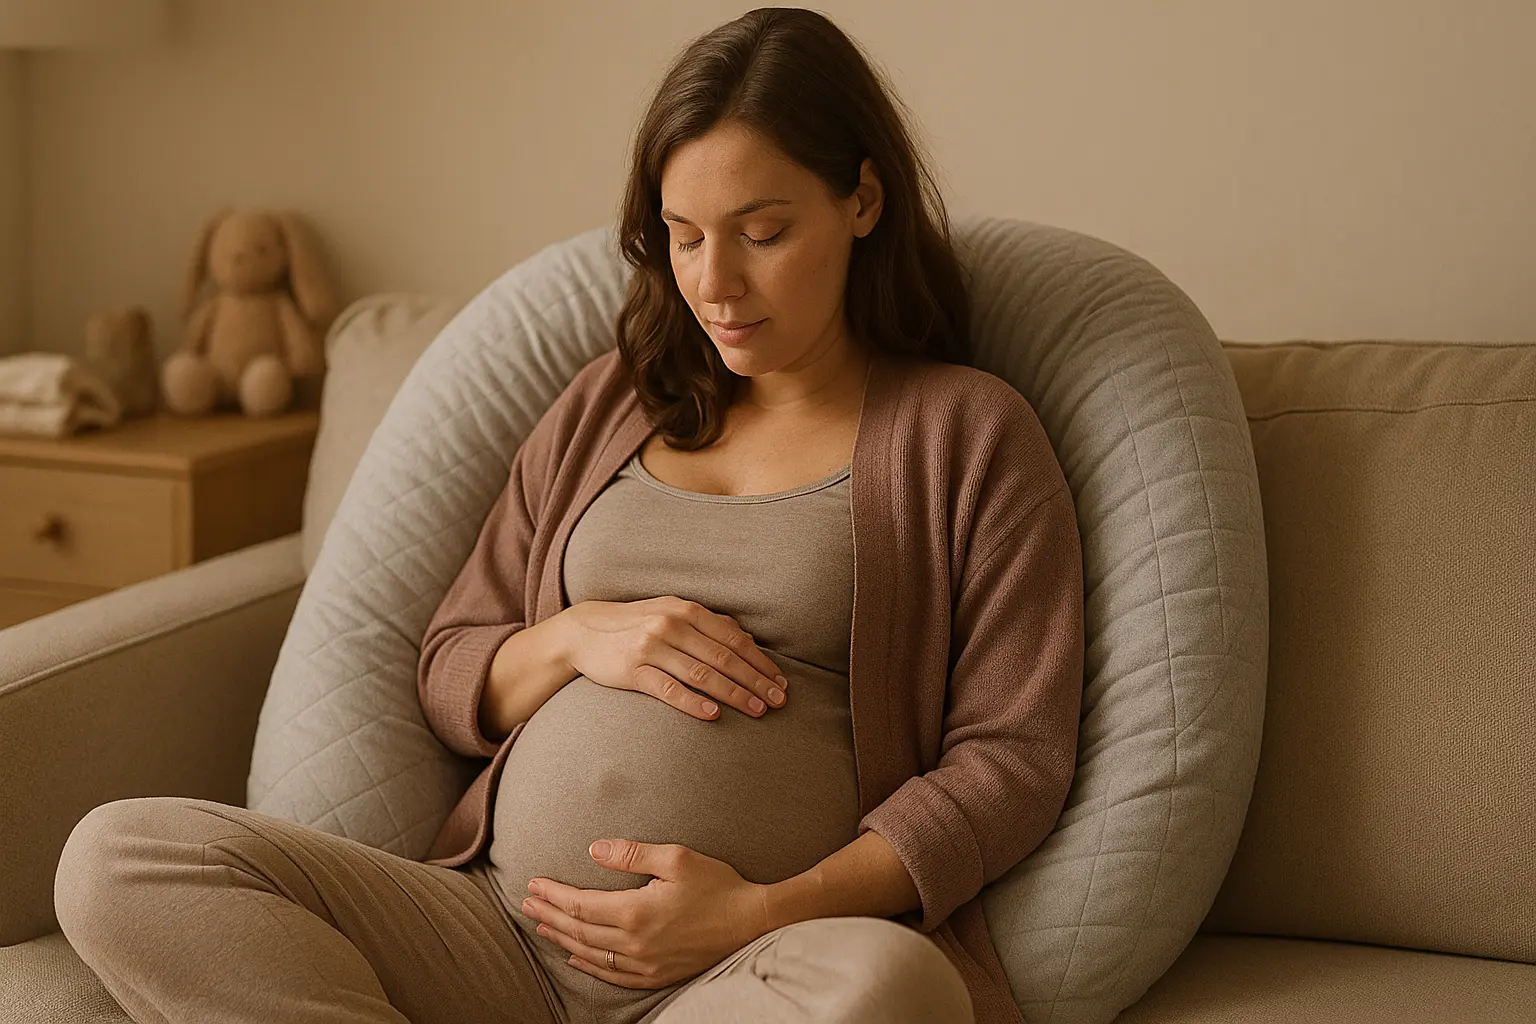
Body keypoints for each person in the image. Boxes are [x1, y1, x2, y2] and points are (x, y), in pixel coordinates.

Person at [52, 8, 1084, 1024]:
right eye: (683, 238)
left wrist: (757, 912)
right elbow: (456, 663)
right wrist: (576, 635)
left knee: (892, 991)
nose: (714, 284)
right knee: (119, 856)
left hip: (749, 967)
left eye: (763, 234)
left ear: (862, 200)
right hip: (492, 932)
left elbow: (1009, 759)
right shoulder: (608, 404)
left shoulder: (965, 433)